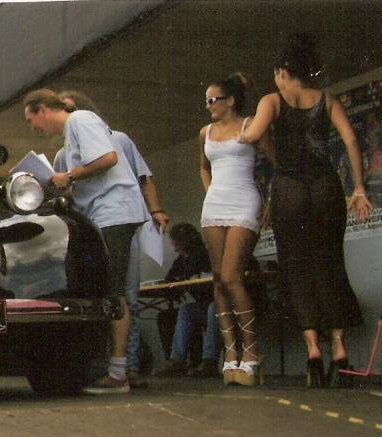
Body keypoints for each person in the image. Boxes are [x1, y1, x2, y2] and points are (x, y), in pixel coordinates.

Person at [239, 33, 372, 388]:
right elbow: (350, 140)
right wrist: (358, 188)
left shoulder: (273, 100)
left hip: (290, 190)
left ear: (283, 72)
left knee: (296, 270)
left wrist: (246, 130)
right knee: (331, 265)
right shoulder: (326, 100)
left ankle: (313, 351)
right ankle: (340, 350)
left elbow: (252, 136)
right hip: (326, 187)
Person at [24, 89, 148, 393]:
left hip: (115, 212)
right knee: (109, 290)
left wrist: (71, 176)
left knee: (114, 292)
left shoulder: (81, 119)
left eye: (32, 120)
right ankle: (114, 366)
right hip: (103, 213)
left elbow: (108, 157)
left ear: (43, 110)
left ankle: (119, 373)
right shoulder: (70, 136)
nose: (34, 128)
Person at [58, 90, 170, 388]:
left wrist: (155, 209)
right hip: (91, 226)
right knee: (101, 293)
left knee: (124, 292)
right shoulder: (63, 153)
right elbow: (67, 190)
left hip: (116, 219)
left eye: (68, 109)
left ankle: (126, 367)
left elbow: (143, 176)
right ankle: (105, 364)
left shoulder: (118, 139)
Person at [200, 72, 266, 386]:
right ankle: (231, 354)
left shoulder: (250, 124)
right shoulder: (206, 132)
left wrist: (270, 202)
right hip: (215, 204)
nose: (210, 105)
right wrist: (211, 190)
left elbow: (275, 160)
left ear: (231, 101)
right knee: (217, 280)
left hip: (244, 201)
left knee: (231, 276)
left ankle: (252, 354)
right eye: (207, 100)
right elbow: (203, 165)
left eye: (215, 99)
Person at [153, 223, 218, 377]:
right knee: (186, 310)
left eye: (175, 240)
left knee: (213, 308)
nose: (172, 243)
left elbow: (202, 274)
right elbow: (169, 279)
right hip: (203, 306)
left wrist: (190, 277)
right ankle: (177, 360)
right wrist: (185, 278)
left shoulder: (203, 254)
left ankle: (209, 360)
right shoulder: (182, 259)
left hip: (219, 305)